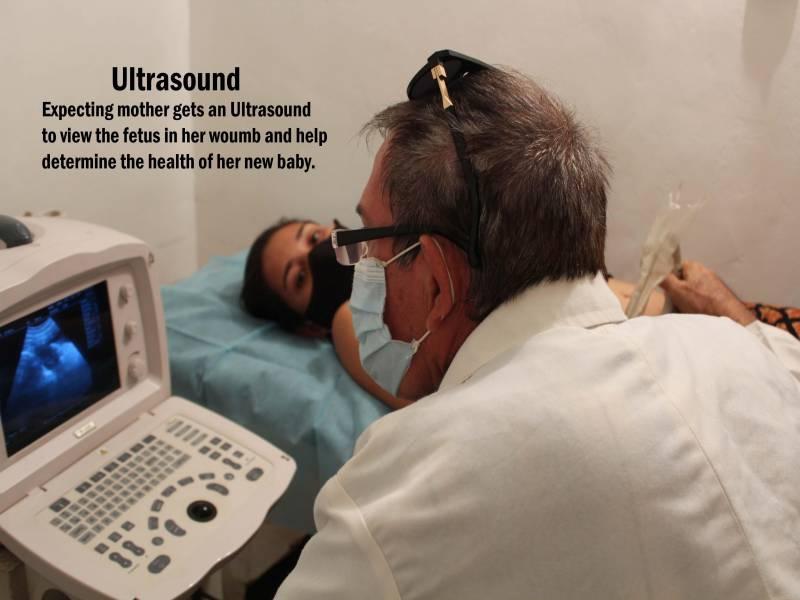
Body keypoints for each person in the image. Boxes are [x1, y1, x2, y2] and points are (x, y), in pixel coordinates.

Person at [275, 51, 800, 599]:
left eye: (366, 245)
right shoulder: (757, 356)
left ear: (435, 281)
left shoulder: (394, 505)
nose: (359, 273)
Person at [240, 218, 667, 410]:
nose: (316, 254)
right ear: (308, 326)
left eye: (312, 237)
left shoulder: (398, 248)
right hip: (608, 350)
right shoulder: (348, 319)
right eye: (299, 278)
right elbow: (429, 403)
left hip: (633, 318)